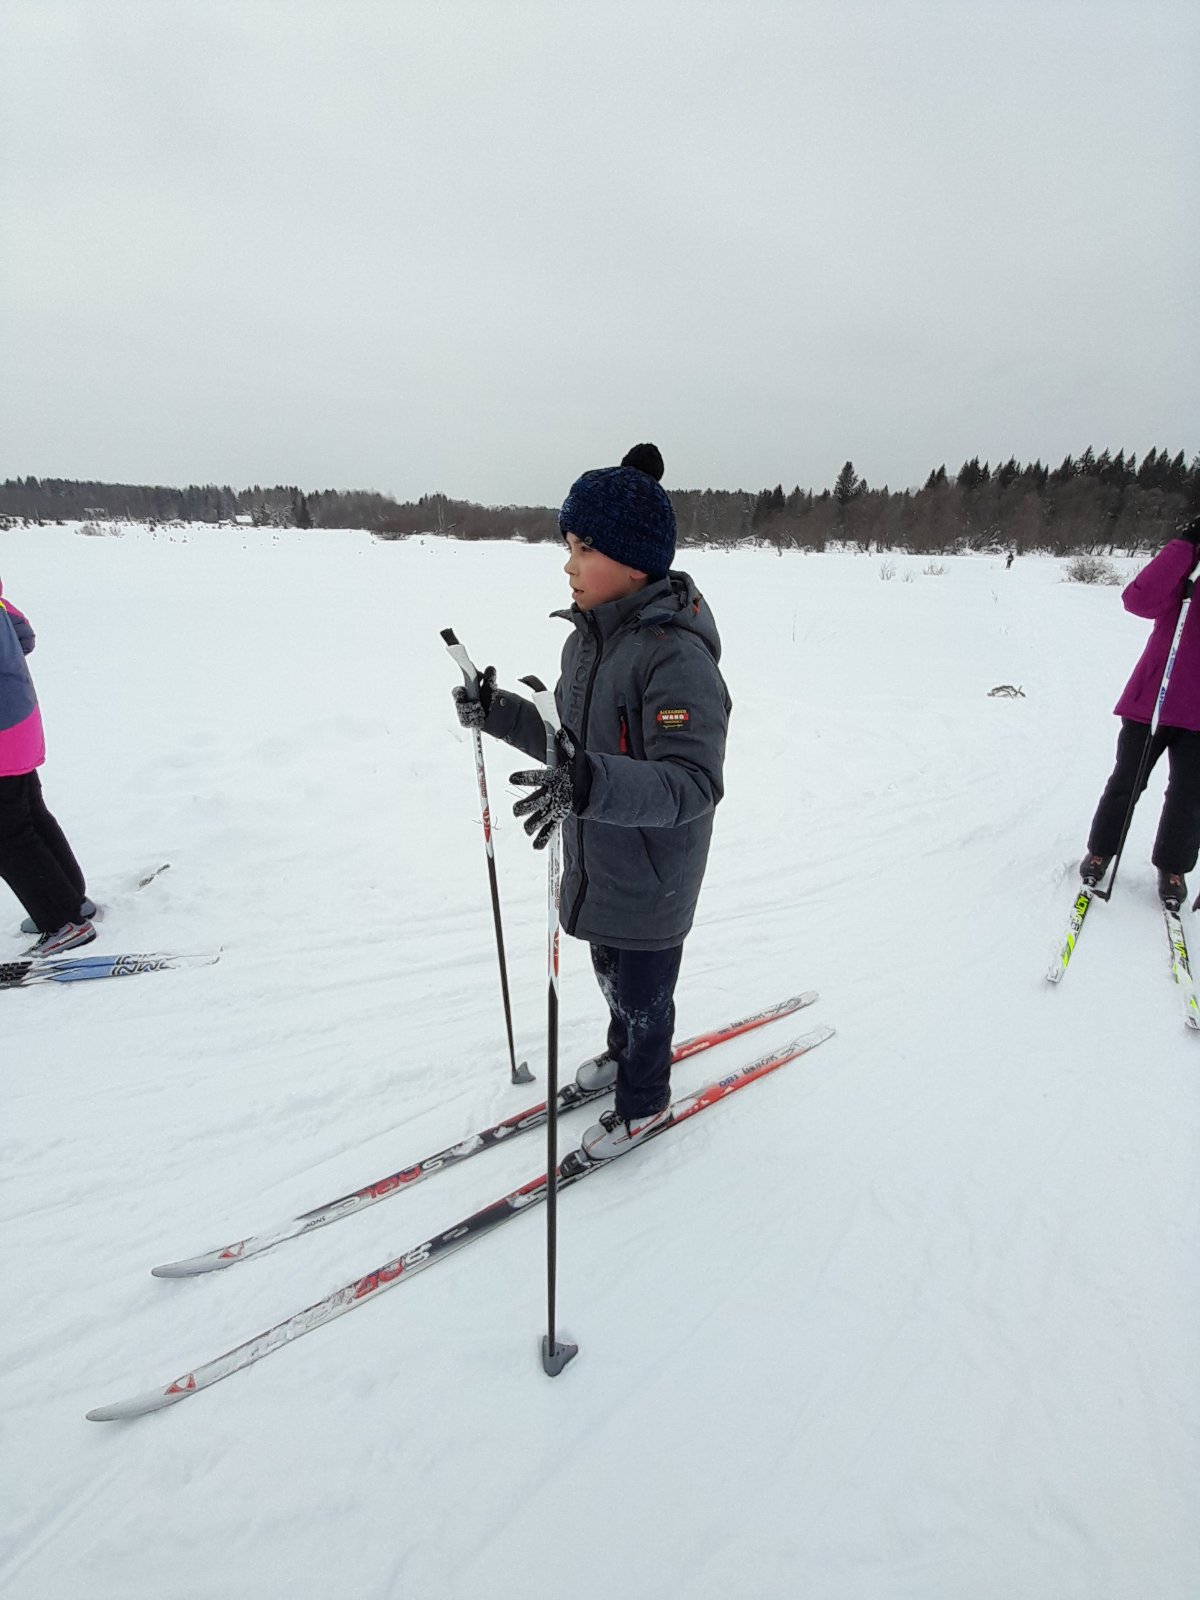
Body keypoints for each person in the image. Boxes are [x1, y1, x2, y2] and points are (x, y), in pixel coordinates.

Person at [452, 443, 731, 1161]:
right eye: (568, 547)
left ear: (634, 562)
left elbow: (691, 783)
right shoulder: (585, 645)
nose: (568, 565)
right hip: (600, 856)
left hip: (654, 872)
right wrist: (497, 711)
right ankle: (622, 1049)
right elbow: (566, 748)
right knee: (611, 977)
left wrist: (588, 785)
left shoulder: (676, 658)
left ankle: (644, 1101)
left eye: (584, 549)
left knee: (644, 996)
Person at [1079, 517, 1200, 911]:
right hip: (1153, 700)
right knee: (1127, 781)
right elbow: (1139, 600)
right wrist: (1185, 545)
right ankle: (1102, 850)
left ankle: (1174, 867)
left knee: (1190, 795)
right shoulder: (1190, 568)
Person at [0, 575, 96, 954]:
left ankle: (62, 921)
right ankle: (71, 901)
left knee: (8, 833)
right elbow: (24, 636)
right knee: (29, 815)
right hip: (19, 722)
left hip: (3, 731)